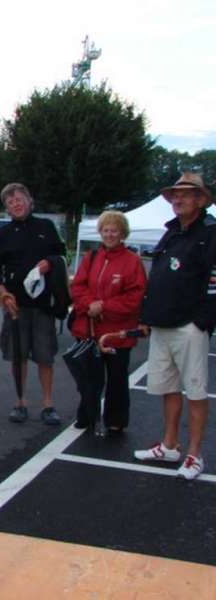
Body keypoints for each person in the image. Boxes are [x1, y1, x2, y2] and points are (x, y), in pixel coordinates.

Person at [134, 172, 216, 480]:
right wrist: (147, 315)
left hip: (189, 325)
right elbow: (159, 277)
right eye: (175, 195)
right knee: (167, 388)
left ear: (200, 200)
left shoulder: (210, 232)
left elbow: (214, 280)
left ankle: (195, 454)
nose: (178, 199)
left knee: (195, 391)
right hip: (162, 323)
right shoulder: (172, 232)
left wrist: (202, 321)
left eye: (185, 194)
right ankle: (170, 445)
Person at [0, 183, 66, 425]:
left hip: (42, 304)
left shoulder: (46, 227)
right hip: (15, 305)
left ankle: (48, 404)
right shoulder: (2, 234)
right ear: (6, 208)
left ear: (30, 201)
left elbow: (64, 255)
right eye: (10, 202)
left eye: (19, 199)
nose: (16, 204)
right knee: (17, 356)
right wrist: (2, 293)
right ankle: (20, 402)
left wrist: (50, 263)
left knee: (45, 356)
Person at [69, 210, 146, 432]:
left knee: (117, 380)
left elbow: (135, 297)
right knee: (88, 378)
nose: (110, 234)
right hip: (89, 330)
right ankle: (87, 415)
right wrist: (89, 304)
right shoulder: (91, 257)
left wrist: (103, 306)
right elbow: (78, 286)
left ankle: (116, 420)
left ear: (122, 233)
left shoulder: (132, 262)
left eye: (114, 230)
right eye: (106, 230)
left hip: (117, 334)